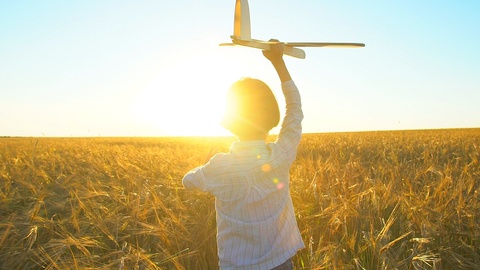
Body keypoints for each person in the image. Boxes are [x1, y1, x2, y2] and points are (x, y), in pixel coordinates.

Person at [182, 42, 305, 270]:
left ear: (230, 120)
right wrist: (278, 63)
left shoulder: (219, 167)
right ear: (271, 115)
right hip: (279, 263)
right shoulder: (281, 155)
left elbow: (188, 181)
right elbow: (294, 108)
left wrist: (206, 167)